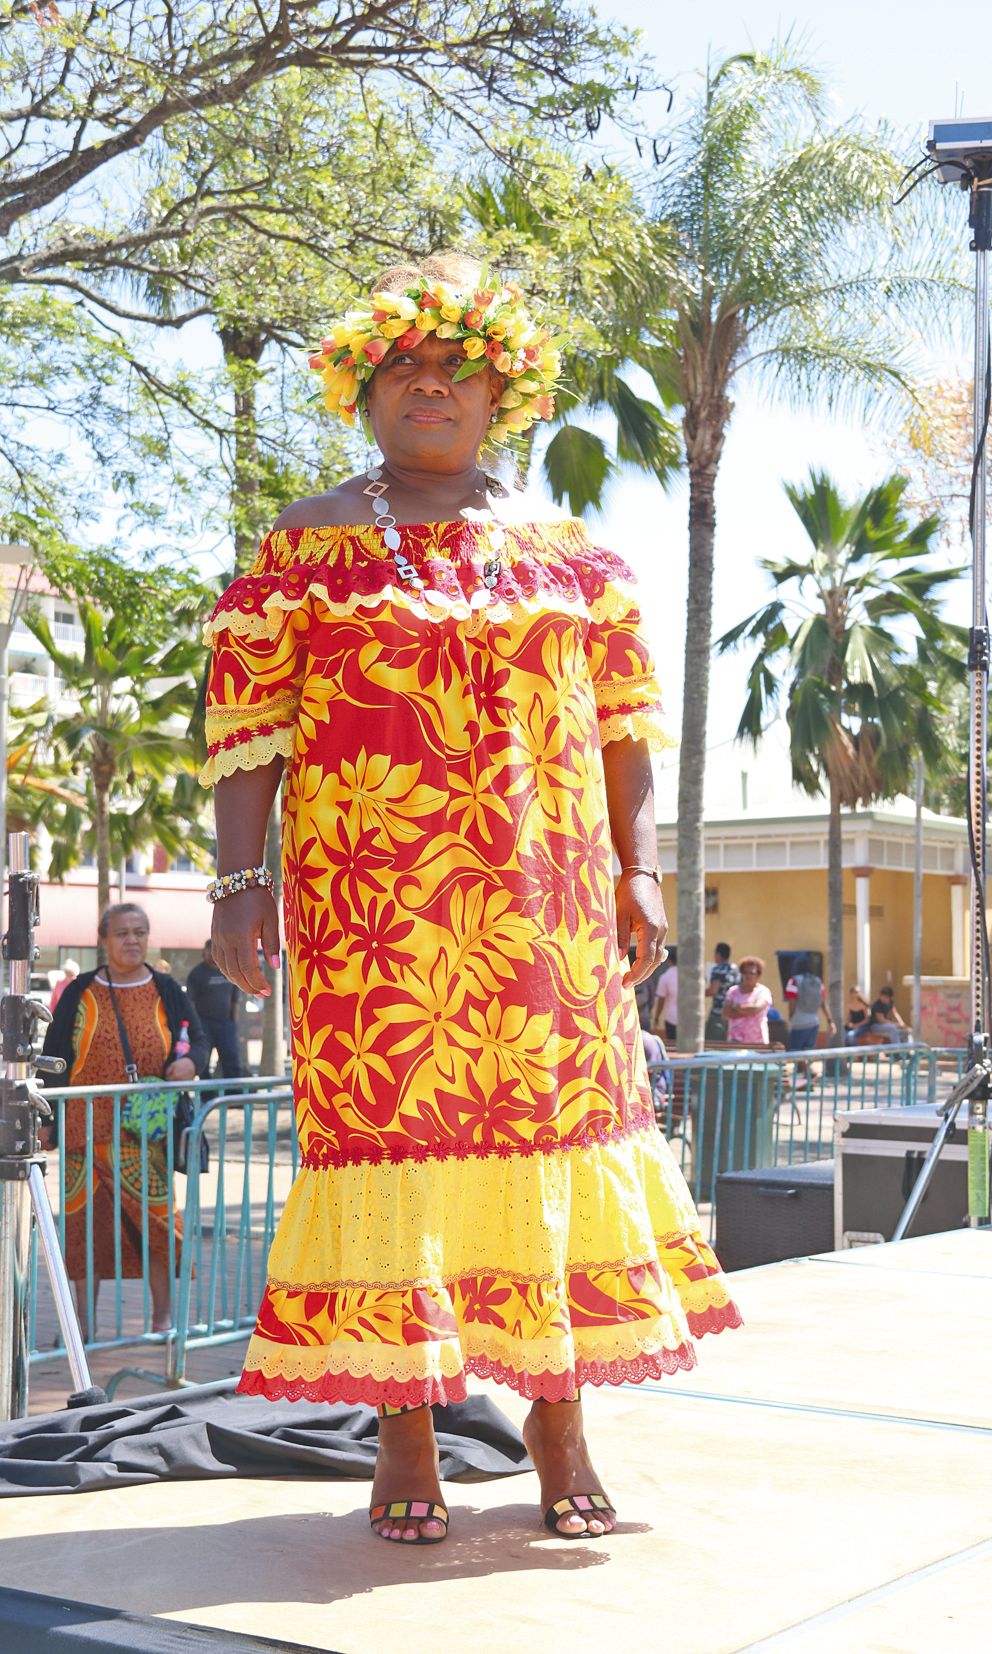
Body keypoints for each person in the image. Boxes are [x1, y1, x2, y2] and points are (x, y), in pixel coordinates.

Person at [200, 255, 740, 1547]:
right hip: (370, 916)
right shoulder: (306, 543)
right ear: (364, 393)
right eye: (400, 370)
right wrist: (236, 884)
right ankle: (406, 1429)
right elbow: (246, 724)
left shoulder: (571, 556)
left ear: (503, 391)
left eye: (453, 372)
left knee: (555, 1135)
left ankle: (557, 1417)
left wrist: (639, 862)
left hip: (542, 910)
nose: (427, 389)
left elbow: (621, 726)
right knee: (388, 1147)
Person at [41, 903, 209, 1336]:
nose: (132, 940)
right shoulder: (80, 990)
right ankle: (83, 1327)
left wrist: (190, 1066)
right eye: (122, 933)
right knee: (84, 1228)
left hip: (145, 1127)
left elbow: (198, 1039)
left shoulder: (168, 988)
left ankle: (161, 1320)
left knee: (156, 1221)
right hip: (84, 1124)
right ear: (103, 939)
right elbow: (55, 1054)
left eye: (140, 931)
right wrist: (45, 1119)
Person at [187, 939, 244, 1081]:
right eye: (210, 950)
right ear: (204, 952)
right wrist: (195, 1026)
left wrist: (233, 1023)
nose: (213, 954)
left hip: (226, 1023)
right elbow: (190, 1002)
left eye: (216, 951)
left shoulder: (229, 971)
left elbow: (235, 1000)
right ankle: (208, 1098)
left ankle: (233, 1099)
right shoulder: (197, 973)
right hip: (204, 1024)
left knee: (232, 1061)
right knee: (203, 1063)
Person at [784, 955, 837, 1053]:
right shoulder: (817, 981)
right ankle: (807, 1068)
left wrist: (791, 1017)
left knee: (795, 1052)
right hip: (814, 1022)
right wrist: (830, 1021)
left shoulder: (793, 981)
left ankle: (804, 1069)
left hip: (799, 1022)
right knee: (808, 1051)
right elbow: (823, 1003)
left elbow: (792, 1002)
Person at [722, 956, 773, 1047]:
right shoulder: (733, 991)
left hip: (757, 1042)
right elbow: (726, 1012)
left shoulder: (763, 992)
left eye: (751, 973)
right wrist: (748, 1011)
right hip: (735, 1041)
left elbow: (756, 1009)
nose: (748, 976)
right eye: (745, 973)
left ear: (758, 974)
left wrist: (736, 1006)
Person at [704, 941, 738, 1042]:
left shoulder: (718, 969)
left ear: (718, 954)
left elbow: (713, 990)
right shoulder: (735, 969)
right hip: (733, 1012)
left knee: (713, 1043)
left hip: (718, 1013)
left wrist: (699, 993)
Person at [651, 945, 679, 1045]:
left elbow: (661, 1000)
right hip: (687, 1018)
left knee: (673, 1045)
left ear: (669, 961)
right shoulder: (689, 976)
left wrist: (656, 1017)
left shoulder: (665, 977)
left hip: (671, 1018)